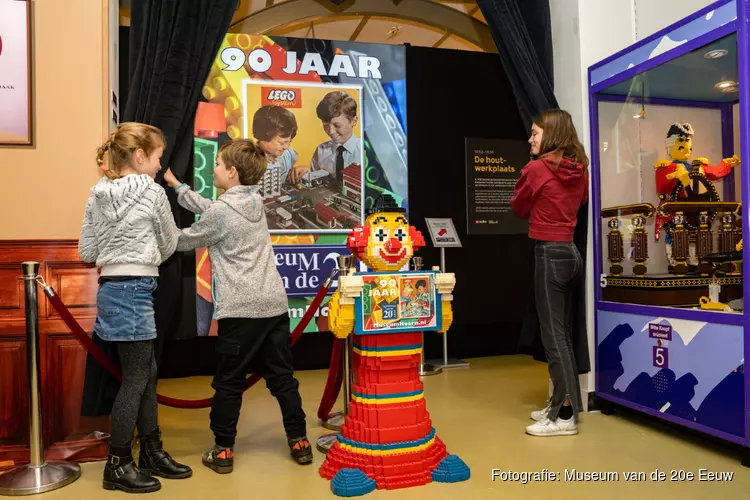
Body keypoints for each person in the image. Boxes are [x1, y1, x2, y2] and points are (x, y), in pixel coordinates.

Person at [162, 139, 312, 473]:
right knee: (283, 378)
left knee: (229, 382)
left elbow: (182, 239)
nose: (213, 168)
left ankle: (224, 450)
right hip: (273, 306)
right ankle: (299, 440)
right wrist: (178, 187)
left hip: (240, 310)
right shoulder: (255, 200)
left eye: (217, 164)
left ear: (231, 172)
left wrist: (156, 219)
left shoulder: (220, 212)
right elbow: (214, 209)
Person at [78, 122, 192, 493]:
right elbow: (169, 243)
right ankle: (118, 463)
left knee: (146, 372)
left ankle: (152, 452)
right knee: (136, 380)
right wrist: (141, 255)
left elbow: (87, 252)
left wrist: (117, 249)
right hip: (136, 288)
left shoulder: (97, 195)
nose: (160, 166)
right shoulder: (153, 193)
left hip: (112, 289)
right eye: (159, 158)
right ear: (141, 156)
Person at [510, 109, 589, 437]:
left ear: (550, 135)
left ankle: (565, 417)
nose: (531, 139)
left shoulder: (538, 168)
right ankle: (561, 405)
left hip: (550, 254)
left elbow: (518, 207)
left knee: (554, 339)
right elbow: (581, 202)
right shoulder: (580, 168)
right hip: (572, 253)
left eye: (535, 133)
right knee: (564, 338)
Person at [290, 91, 361, 185]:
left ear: (354, 121)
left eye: (337, 125)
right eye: (325, 125)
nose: (331, 131)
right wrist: (309, 173)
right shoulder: (321, 150)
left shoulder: (366, 152)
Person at [252, 105, 299, 184]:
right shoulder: (246, 158)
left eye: (289, 141)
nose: (286, 147)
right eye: (281, 143)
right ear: (263, 137)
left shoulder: (290, 154)